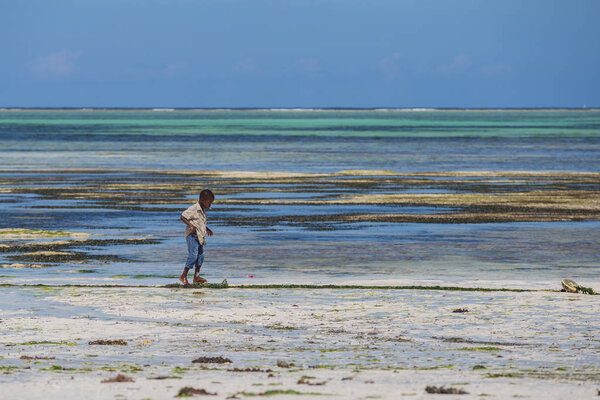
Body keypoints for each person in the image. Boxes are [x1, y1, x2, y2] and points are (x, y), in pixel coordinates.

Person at [179, 189, 214, 286]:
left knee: (200, 256)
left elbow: (200, 223)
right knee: (193, 256)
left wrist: (207, 229)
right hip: (192, 236)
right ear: (203, 200)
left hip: (199, 236)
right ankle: (183, 276)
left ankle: (196, 276)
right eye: (209, 203)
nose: (210, 205)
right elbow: (182, 217)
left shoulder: (202, 210)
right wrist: (190, 226)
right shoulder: (194, 208)